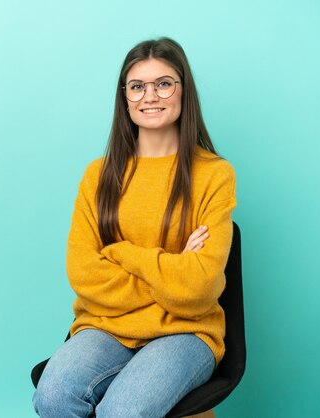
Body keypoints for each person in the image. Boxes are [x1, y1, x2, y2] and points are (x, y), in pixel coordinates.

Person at [32, 37, 237, 418]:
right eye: (137, 86)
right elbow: (85, 274)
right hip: (105, 327)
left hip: (186, 332)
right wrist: (173, 270)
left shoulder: (213, 175)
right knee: (53, 397)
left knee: (123, 410)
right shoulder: (98, 175)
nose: (150, 96)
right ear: (124, 97)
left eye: (164, 83)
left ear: (183, 90)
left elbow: (200, 288)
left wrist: (121, 253)